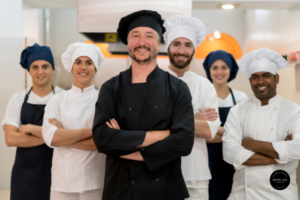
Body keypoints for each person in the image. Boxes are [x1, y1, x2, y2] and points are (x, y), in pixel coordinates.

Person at [92, 10, 194, 200]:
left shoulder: (178, 88)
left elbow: (184, 142)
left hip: (164, 189)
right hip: (120, 189)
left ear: (159, 43)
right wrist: (160, 136)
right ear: (128, 42)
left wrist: (127, 148)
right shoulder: (111, 88)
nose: (141, 42)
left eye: (149, 36)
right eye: (135, 36)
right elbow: (102, 138)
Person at [223, 48, 300, 200]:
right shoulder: (237, 111)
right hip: (243, 194)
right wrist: (281, 155)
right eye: (255, 77)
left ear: (276, 78)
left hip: (281, 193)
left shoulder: (293, 110)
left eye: (266, 76)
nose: (260, 82)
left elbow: (298, 148)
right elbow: (230, 153)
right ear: (250, 80)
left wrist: (252, 144)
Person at [163, 15, 221, 200]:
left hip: (196, 175)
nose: (182, 50)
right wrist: (194, 120)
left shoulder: (205, 86)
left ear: (194, 50)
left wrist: (167, 122)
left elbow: (209, 132)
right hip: (158, 173)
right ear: (168, 48)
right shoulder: (152, 83)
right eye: (176, 44)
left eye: (188, 45)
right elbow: (146, 126)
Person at [42, 42, 106, 200]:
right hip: (62, 184)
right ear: (71, 67)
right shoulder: (57, 100)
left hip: (95, 183)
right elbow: (51, 138)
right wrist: (92, 132)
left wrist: (64, 134)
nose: (83, 67)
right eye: (78, 62)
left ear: (95, 68)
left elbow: (104, 142)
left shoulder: (105, 101)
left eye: (89, 62)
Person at [2, 43, 64, 200]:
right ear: (29, 70)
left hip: (58, 175)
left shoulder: (64, 99)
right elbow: (10, 139)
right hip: (24, 177)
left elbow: (68, 138)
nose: (40, 71)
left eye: (45, 66)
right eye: (35, 67)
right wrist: (53, 135)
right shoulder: (17, 99)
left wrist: (29, 128)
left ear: (53, 69)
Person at [202, 50, 247, 200]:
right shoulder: (201, 98)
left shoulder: (241, 98)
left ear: (231, 70)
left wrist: (213, 132)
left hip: (235, 163)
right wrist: (231, 134)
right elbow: (199, 136)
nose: (219, 72)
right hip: (206, 162)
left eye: (224, 67)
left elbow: (245, 135)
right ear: (209, 71)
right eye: (214, 67)